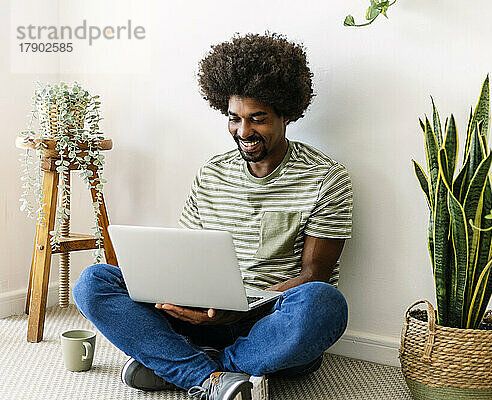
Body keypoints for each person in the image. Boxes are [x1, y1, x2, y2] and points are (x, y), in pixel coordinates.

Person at [73, 32, 353, 400]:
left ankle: (183, 367)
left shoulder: (327, 179)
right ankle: (210, 377)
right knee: (94, 281)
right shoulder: (211, 173)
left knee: (324, 304)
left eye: (258, 119)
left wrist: (237, 311)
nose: (244, 131)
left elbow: (313, 275)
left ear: (287, 114)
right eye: (234, 118)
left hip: (266, 324)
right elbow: (186, 257)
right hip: (201, 315)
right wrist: (181, 297)